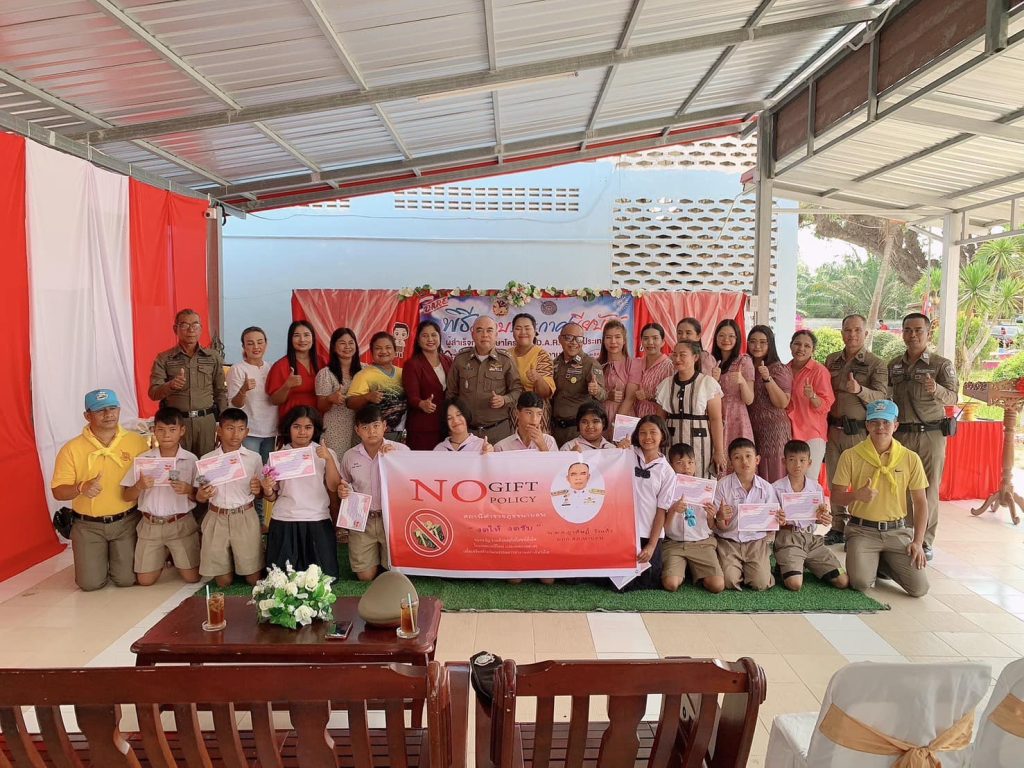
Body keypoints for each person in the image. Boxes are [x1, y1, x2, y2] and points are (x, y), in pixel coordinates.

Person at [51, 389, 150, 591]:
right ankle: (97, 560)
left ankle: (112, 560)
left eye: (112, 408)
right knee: (89, 584)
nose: (108, 414)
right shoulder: (71, 448)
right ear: (87, 416)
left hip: (127, 522)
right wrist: (80, 487)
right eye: (100, 410)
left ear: (119, 410)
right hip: (88, 526)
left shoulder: (136, 442)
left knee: (126, 580)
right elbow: (58, 492)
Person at [831, 399, 929, 597]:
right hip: (862, 531)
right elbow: (836, 496)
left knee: (920, 589)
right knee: (860, 583)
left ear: (896, 425)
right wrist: (856, 495)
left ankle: (882, 561)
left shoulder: (910, 458)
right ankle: (873, 560)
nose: (880, 427)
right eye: (874, 422)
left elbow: (920, 503)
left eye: (886, 422)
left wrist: (918, 542)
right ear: (867, 425)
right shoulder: (851, 455)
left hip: (897, 531)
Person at [888, 312, 958, 559]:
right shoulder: (894, 365)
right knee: (899, 486)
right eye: (908, 330)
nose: (913, 335)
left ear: (929, 333)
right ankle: (904, 535)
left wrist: (936, 389)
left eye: (918, 330)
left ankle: (925, 541)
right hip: (901, 435)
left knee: (927, 489)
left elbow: (953, 397)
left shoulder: (941, 364)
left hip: (931, 435)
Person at [823, 314, 890, 546]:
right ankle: (837, 526)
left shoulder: (876, 364)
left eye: (857, 330)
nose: (852, 335)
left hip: (859, 432)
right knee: (835, 479)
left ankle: (860, 527)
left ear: (865, 333)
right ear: (842, 333)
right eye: (848, 330)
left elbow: (881, 397)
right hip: (833, 430)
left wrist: (859, 390)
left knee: (862, 480)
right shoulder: (832, 360)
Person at [120, 407, 200, 586]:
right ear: (153, 430)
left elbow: (201, 497)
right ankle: (164, 554)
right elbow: (126, 496)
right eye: (161, 430)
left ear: (182, 431)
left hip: (180, 523)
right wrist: (139, 486)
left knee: (192, 578)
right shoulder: (143, 459)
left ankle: (173, 554)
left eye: (172, 430)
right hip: (151, 525)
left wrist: (189, 489)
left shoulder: (191, 460)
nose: (166, 435)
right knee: (145, 580)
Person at [263, 406, 341, 577]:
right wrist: (267, 488)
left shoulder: (325, 453)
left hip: (317, 519)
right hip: (285, 519)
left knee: (324, 578)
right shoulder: (278, 456)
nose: (302, 432)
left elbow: (334, 486)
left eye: (308, 427)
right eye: (296, 426)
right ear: (288, 428)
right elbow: (272, 496)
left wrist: (328, 459)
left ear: (315, 429)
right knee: (281, 579)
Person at [338, 404, 411, 581]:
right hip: (362, 519)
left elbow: (412, 484)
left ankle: (384, 560)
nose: (371, 431)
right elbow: (344, 483)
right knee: (365, 576)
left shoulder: (401, 451)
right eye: (365, 427)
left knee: (394, 574)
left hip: (391, 518)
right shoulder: (350, 456)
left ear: (384, 426)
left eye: (376, 425)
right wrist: (342, 490)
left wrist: (396, 460)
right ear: (357, 430)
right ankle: (375, 560)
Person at [195, 408, 265, 588]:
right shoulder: (207, 460)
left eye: (241, 429)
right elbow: (200, 496)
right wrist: (202, 494)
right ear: (219, 430)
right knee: (223, 582)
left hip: (244, 516)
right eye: (229, 428)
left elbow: (260, 493)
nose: (235, 434)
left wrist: (258, 490)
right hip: (216, 516)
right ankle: (230, 564)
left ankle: (241, 561)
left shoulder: (254, 458)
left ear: (247, 432)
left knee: (253, 579)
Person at [149, 308, 227, 457]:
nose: (191, 330)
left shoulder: (213, 357)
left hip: (206, 422)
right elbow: (153, 392)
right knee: (179, 464)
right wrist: (170, 386)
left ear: (201, 329)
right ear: (175, 329)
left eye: (195, 325)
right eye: (185, 325)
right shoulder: (164, 358)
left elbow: (221, 392)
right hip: (177, 424)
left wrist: (224, 425)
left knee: (206, 464)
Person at [773, 440, 848, 592]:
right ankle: (785, 565)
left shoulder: (816, 488)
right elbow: (770, 520)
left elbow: (819, 516)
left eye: (802, 460)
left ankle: (804, 563)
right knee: (795, 584)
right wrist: (777, 520)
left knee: (842, 581)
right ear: (784, 462)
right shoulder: (775, 488)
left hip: (812, 540)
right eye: (792, 460)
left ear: (810, 463)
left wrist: (824, 518)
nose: (797, 465)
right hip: (788, 538)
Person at [712, 437, 779, 591]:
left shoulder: (766, 488)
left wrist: (777, 520)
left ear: (757, 460)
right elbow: (717, 525)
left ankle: (753, 570)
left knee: (760, 583)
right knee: (728, 581)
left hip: (756, 542)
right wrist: (720, 517)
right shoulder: (722, 486)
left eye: (748, 456)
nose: (744, 461)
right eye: (737, 457)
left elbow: (771, 525)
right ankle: (738, 569)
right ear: (730, 463)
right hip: (728, 541)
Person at [655, 340, 726, 478]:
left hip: (701, 443)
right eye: (674, 355)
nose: (677, 359)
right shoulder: (666, 384)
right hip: (671, 442)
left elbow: (716, 419)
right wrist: (657, 447)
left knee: (700, 478)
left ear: (695, 357)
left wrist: (719, 451)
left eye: (682, 355)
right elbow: (659, 421)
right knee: (671, 479)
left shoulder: (708, 383)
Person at [661, 443, 725, 594]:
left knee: (717, 586)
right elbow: (664, 529)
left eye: (690, 462)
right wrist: (673, 510)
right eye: (680, 463)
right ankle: (684, 569)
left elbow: (711, 526)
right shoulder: (666, 488)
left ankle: (692, 569)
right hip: (674, 543)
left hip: (702, 543)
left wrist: (711, 515)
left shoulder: (705, 488)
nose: (686, 467)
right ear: (671, 465)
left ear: (695, 464)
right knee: (671, 584)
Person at [446, 316, 522, 442]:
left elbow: (517, 390)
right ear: (473, 335)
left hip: (498, 431)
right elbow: (451, 394)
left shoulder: (506, 360)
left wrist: (504, 400)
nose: (485, 335)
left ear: (496, 334)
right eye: (480, 330)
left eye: (489, 330)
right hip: (466, 431)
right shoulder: (461, 359)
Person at [622, 415, 675, 590]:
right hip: (624, 530)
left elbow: (661, 510)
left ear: (663, 435)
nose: (647, 437)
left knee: (648, 582)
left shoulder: (667, 471)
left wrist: (652, 545)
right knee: (621, 584)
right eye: (643, 433)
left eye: (653, 432)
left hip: (649, 533)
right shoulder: (627, 455)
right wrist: (617, 451)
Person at [785, 330, 835, 485]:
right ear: (790, 345)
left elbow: (826, 406)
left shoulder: (819, 371)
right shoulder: (784, 369)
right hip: (788, 433)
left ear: (813, 350)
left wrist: (812, 396)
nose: (801, 348)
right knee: (788, 482)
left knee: (808, 482)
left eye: (807, 346)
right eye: (797, 344)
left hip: (811, 434)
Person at [746, 325, 792, 482]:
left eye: (762, 342)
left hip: (774, 430)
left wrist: (767, 378)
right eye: (753, 341)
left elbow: (783, 402)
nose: (757, 346)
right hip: (751, 428)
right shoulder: (745, 366)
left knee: (773, 473)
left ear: (770, 344)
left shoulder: (778, 368)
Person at [228, 326, 278, 466]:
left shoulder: (272, 368)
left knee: (267, 471)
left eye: (260, 342)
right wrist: (243, 390)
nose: (256, 347)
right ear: (244, 347)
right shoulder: (237, 369)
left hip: (271, 430)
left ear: (266, 344)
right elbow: (235, 404)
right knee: (250, 470)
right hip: (250, 432)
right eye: (250, 343)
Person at [551, 322, 607, 446]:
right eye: (569, 337)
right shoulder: (555, 363)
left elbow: (603, 395)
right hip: (555, 429)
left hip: (577, 431)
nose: (574, 342)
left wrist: (596, 390)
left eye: (579, 339)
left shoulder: (590, 364)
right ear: (560, 339)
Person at [346, 331, 407, 442]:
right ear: (372, 352)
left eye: (388, 347)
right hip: (371, 436)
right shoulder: (364, 375)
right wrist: (367, 397)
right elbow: (350, 403)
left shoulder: (403, 373)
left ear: (395, 351)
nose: (383, 351)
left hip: (398, 435)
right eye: (378, 348)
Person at [403, 321, 452, 450]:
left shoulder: (448, 361)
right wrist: (421, 403)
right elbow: (412, 396)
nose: (430, 339)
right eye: (425, 336)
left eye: (434, 335)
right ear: (418, 340)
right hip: (423, 428)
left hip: (447, 426)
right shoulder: (412, 365)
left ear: (439, 337)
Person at [316, 327, 361, 457]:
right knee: (335, 463)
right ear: (334, 347)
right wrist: (330, 399)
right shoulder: (325, 374)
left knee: (359, 463)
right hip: (335, 429)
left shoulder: (365, 370)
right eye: (342, 343)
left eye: (351, 343)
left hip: (361, 427)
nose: (347, 347)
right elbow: (321, 406)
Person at [710, 319, 754, 448]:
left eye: (731, 336)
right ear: (716, 338)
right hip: (714, 415)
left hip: (737, 417)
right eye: (721, 335)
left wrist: (742, 382)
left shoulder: (744, 361)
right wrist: (714, 381)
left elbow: (749, 400)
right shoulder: (710, 361)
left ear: (737, 338)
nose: (726, 340)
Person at [266, 320, 319, 419]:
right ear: (290, 339)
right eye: (297, 335)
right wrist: (287, 386)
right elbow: (274, 401)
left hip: (317, 420)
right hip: (292, 420)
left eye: (306, 335)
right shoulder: (281, 365)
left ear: (313, 338)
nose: (302, 340)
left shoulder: (322, 362)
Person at [509, 312, 555, 412]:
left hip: (535, 412)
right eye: (518, 328)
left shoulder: (542, 355)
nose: (523, 332)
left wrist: (538, 379)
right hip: (510, 411)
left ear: (534, 332)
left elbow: (546, 393)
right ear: (512, 332)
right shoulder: (506, 354)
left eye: (527, 328)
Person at [599, 320, 639, 431]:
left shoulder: (634, 363)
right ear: (603, 341)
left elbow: (630, 398)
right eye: (608, 337)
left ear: (624, 340)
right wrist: (607, 395)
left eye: (617, 337)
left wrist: (615, 424)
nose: (613, 342)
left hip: (625, 417)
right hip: (600, 417)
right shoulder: (596, 364)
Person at [633, 322, 674, 418]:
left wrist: (650, 397)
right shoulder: (636, 363)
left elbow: (669, 399)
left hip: (655, 420)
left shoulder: (669, 366)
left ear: (663, 342)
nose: (650, 342)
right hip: (633, 419)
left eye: (655, 338)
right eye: (646, 338)